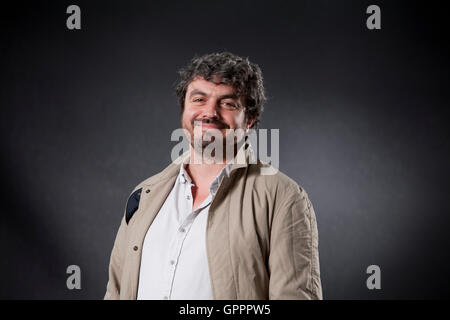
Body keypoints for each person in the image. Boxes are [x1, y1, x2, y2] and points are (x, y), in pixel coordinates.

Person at [104, 52, 322, 300]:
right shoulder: (143, 196)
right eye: (198, 99)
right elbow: (116, 291)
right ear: (184, 109)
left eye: (228, 103)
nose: (209, 112)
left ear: (249, 119)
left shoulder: (284, 198)